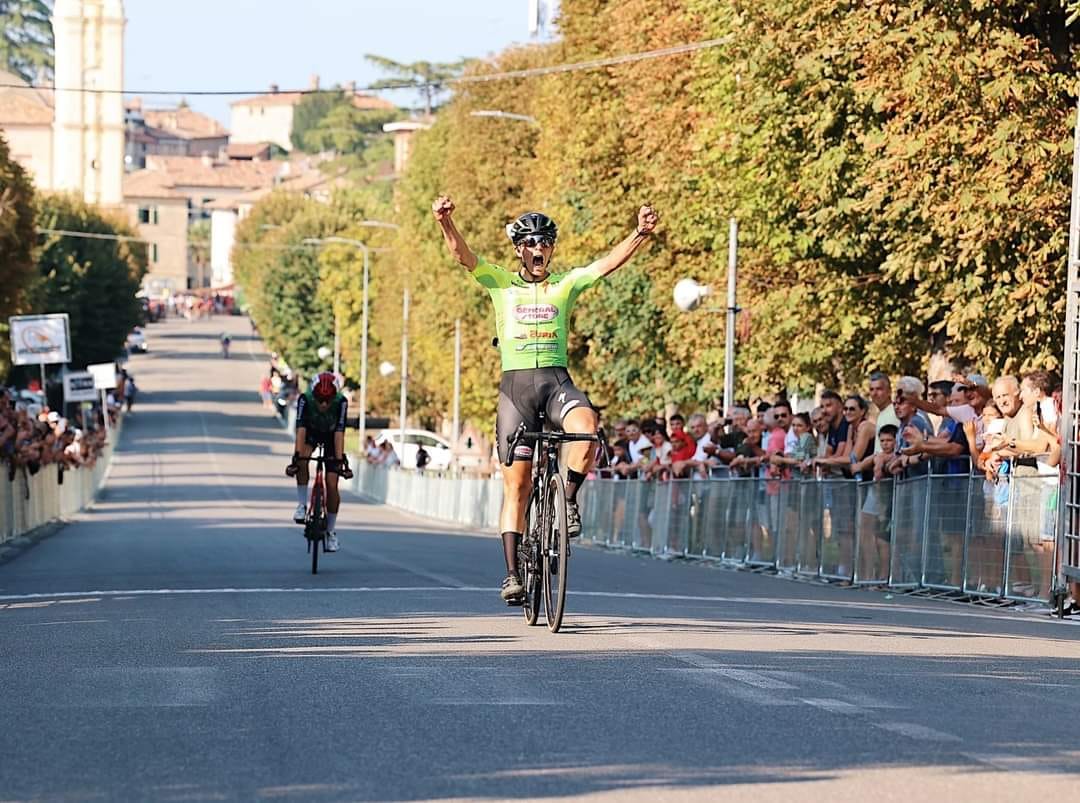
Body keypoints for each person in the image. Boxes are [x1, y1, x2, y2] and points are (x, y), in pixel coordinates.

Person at [432, 194, 659, 602]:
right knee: (516, 487)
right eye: (531, 244)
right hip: (516, 390)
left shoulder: (564, 284)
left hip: (556, 384)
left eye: (545, 243)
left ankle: (567, 500)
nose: (539, 250)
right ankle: (512, 573)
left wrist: (639, 234)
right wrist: (446, 222)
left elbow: (606, 264)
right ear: (519, 249)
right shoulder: (501, 282)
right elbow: (463, 255)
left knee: (588, 430)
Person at [285, 372, 353, 552]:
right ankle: (301, 504)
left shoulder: (341, 402)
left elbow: (339, 433)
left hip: (332, 437)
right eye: (320, 400)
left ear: (334, 397)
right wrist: (296, 457)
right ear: (313, 396)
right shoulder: (304, 399)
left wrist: (339, 463)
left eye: (327, 400)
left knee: (332, 483)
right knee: (302, 458)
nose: (323, 404)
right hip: (311, 433)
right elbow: (300, 430)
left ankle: (330, 532)